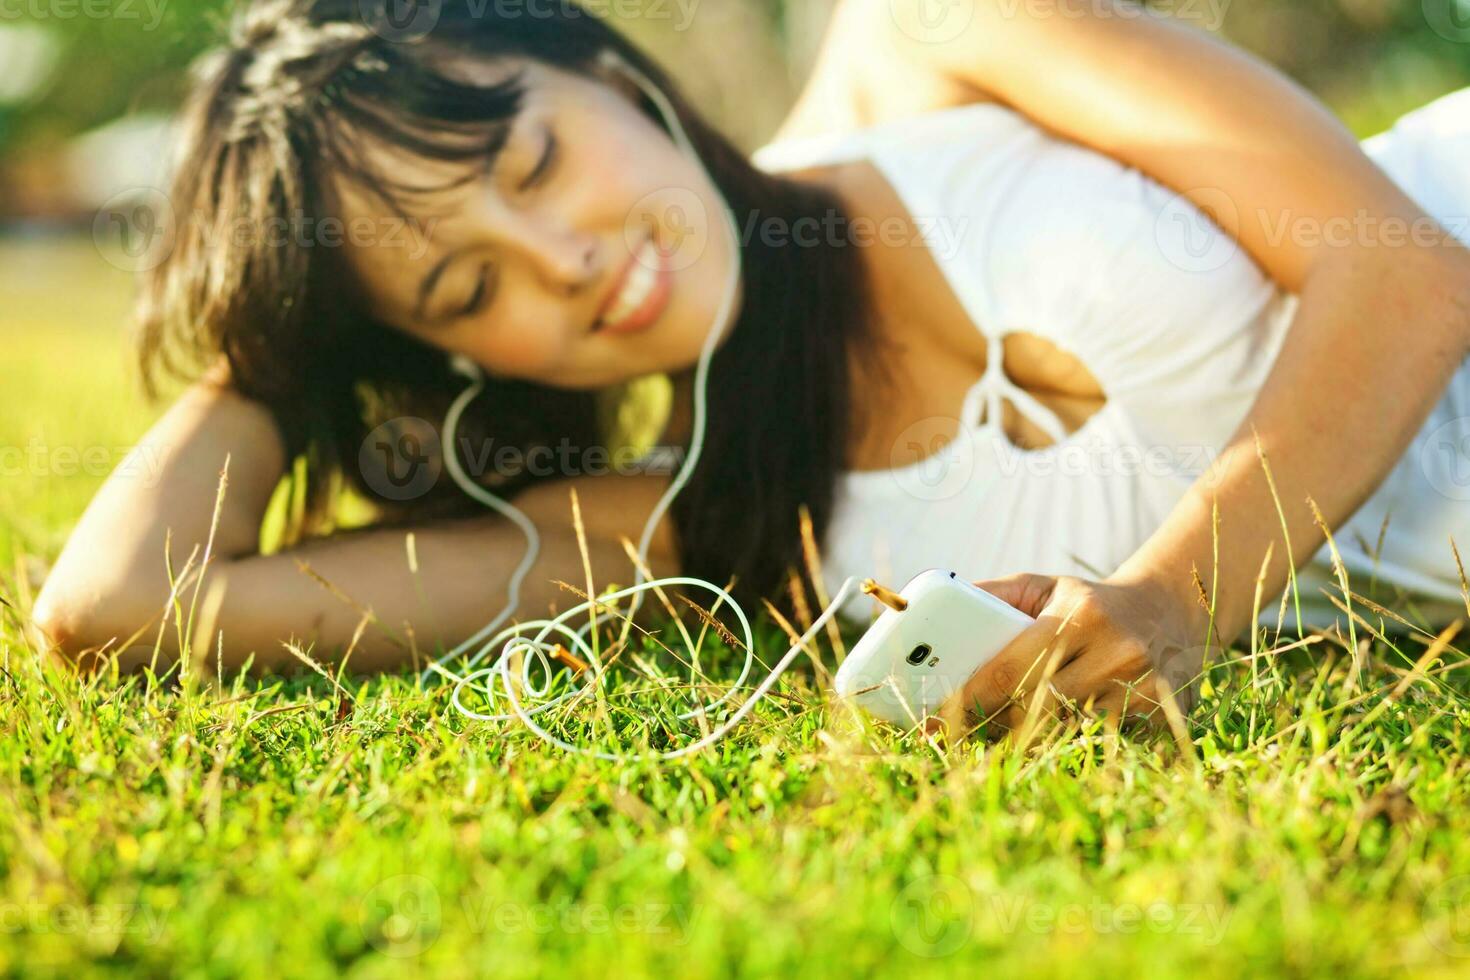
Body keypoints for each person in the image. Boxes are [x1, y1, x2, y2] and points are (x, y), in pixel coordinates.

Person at [33, 0, 1470, 730]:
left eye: (534, 160)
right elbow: (118, 611)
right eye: (470, 286)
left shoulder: (929, 43)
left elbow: (1400, 269)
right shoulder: (672, 523)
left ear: (605, 77)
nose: (569, 258)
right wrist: (291, 344)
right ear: (447, 355)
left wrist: (1171, 598)